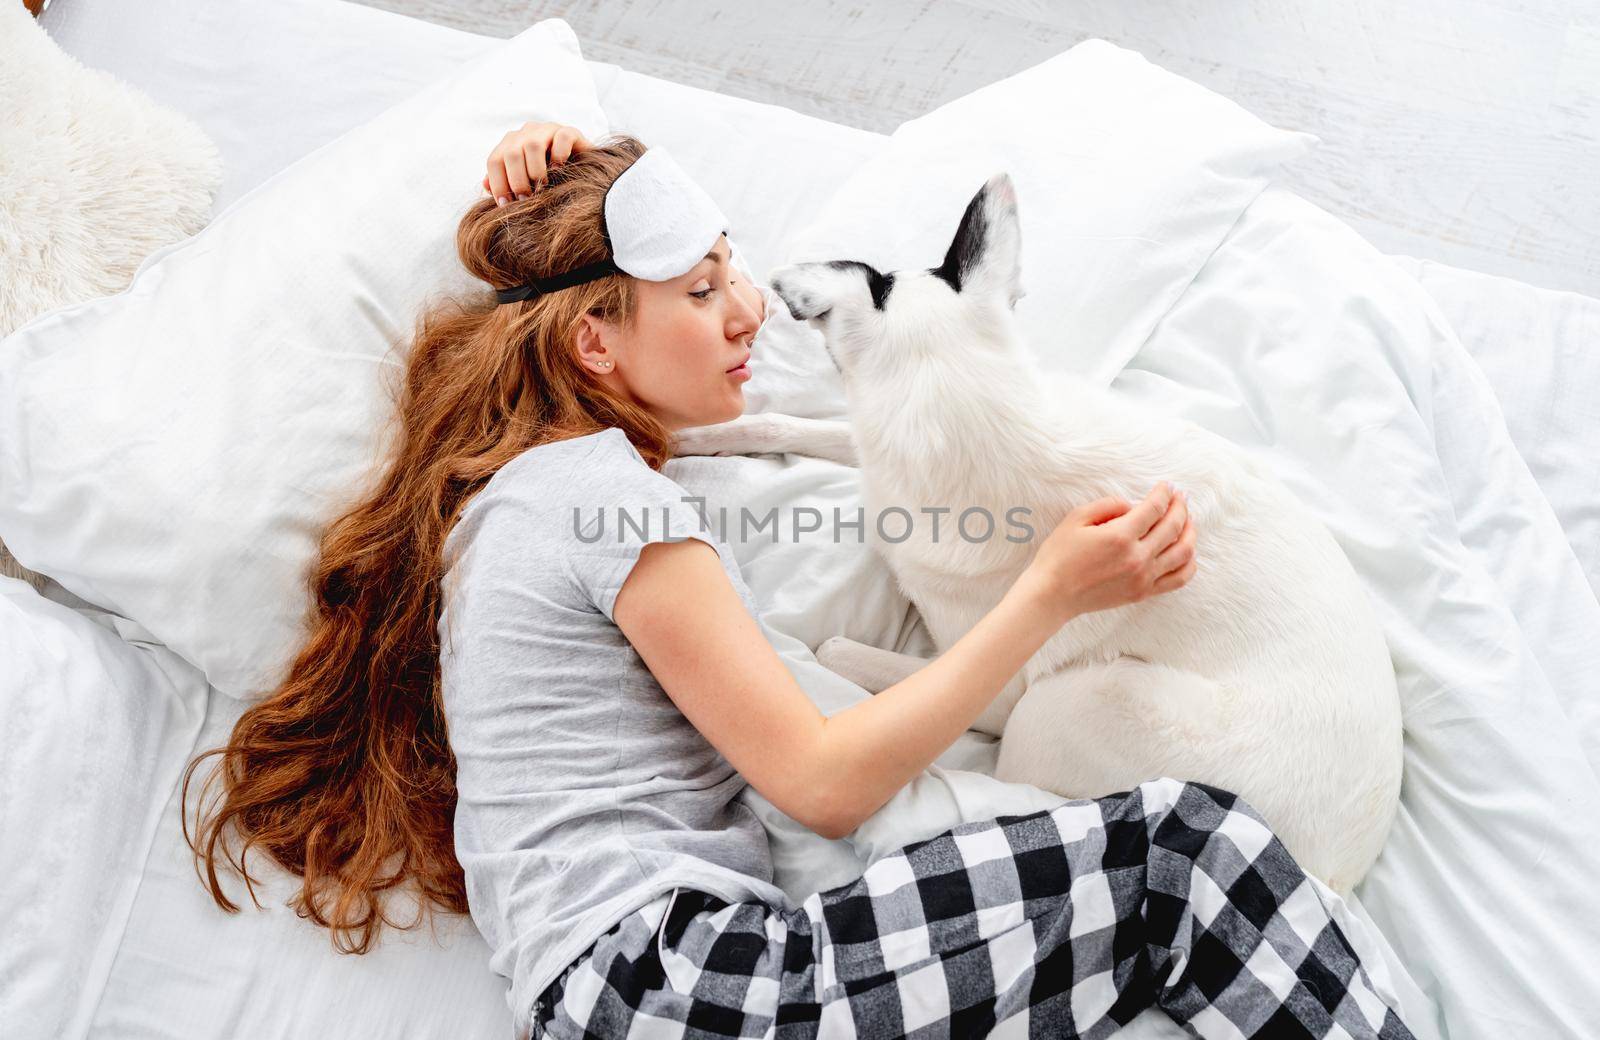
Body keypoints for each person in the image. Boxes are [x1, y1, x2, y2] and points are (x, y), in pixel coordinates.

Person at [182, 124, 1417, 1040]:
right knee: (1187, 854)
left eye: (738, 271)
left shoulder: (533, 507)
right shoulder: (596, 499)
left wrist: (543, 157)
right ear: (594, 341)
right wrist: (1049, 590)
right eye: (703, 287)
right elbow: (822, 783)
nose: (750, 309)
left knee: (1163, 942)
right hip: (686, 987)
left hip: (651, 995)